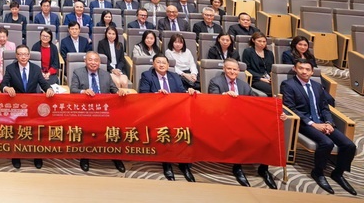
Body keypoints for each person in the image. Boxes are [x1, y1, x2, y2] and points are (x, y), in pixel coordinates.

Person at [282, 58, 357, 195]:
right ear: (295, 69)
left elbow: (324, 108)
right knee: (327, 143)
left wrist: (328, 123)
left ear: (312, 72)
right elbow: (291, 108)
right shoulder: (288, 85)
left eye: (307, 69)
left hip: (322, 122)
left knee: (349, 145)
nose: (304, 72)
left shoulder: (317, 86)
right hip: (304, 123)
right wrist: (313, 124)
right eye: (301, 68)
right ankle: (318, 172)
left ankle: (338, 173)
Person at [208, 58, 278, 189]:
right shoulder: (215, 82)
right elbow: (212, 101)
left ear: (239, 71)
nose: (232, 71)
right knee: (240, 134)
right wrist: (224, 96)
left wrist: (274, 111)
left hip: (244, 118)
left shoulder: (244, 85)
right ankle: (237, 167)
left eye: (235, 69)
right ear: (224, 69)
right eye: (229, 68)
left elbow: (254, 103)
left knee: (268, 133)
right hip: (224, 118)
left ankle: (263, 168)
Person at [138, 53, 198, 182]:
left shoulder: (174, 76)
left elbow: (181, 93)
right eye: (158, 62)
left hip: (175, 112)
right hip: (156, 112)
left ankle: (184, 164)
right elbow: (143, 95)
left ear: (168, 65)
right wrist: (156, 95)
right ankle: (167, 163)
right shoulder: (147, 75)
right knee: (166, 130)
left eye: (164, 63)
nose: (161, 65)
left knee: (187, 129)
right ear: (153, 64)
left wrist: (189, 92)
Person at [69, 51, 127, 173]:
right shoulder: (78, 72)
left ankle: (115, 157)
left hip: (103, 109)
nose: (93, 63)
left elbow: (114, 89)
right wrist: (83, 92)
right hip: (87, 110)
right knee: (86, 130)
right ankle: (85, 156)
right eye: (90, 60)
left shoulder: (106, 74)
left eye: (96, 60)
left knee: (115, 128)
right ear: (85, 61)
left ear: (100, 62)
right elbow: (73, 89)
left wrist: (119, 92)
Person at [0, 44, 55, 169]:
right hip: (17, 106)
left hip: (32, 105)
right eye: (20, 54)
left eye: (25, 54)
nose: (23, 57)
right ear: (16, 56)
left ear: (29, 55)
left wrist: (49, 89)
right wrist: (6, 88)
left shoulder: (36, 68)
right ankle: (16, 155)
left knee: (35, 131)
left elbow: (43, 83)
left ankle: (37, 156)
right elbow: (2, 84)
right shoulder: (10, 68)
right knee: (17, 132)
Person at [242, 32, 274, 96]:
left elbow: (272, 68)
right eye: (259, 41)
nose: (262, 43)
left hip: (268, 78)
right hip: (255, 79)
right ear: (253, 40)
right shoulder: (248, 51)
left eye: (264, 41)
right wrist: (260, 78)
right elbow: (247, 68)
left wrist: (272, 78)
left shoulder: (269, 53)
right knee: (271, 90)